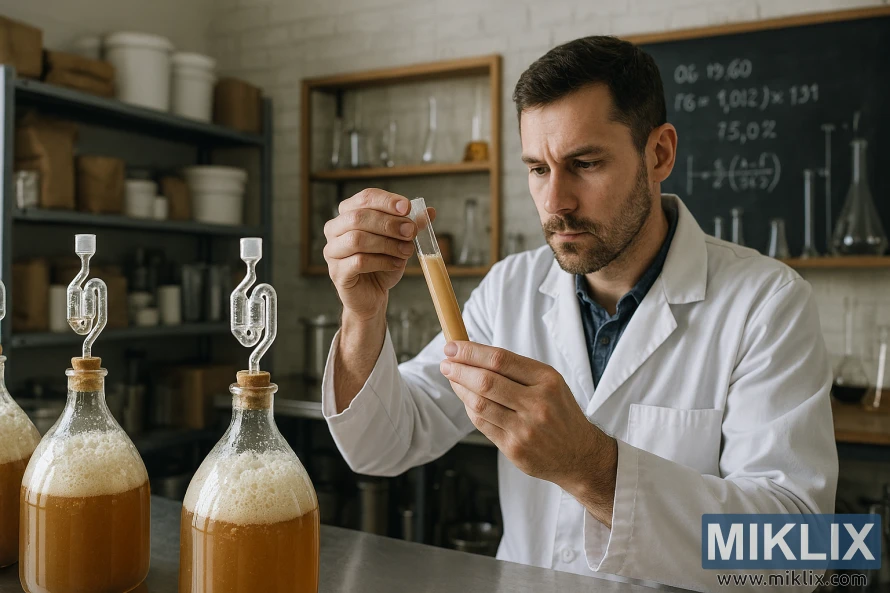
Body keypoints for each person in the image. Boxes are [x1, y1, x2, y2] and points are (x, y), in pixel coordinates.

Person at [320, 36, 837, 591]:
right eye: (538, 169)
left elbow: (799, 557)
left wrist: (592, 470)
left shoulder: (767, 303)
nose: (555, 202)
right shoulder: (509, 289)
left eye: (584, 164)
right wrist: (362, 314)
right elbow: (382, 446)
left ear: (659, 154)